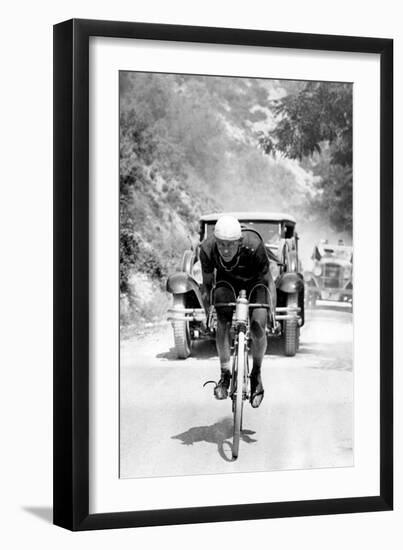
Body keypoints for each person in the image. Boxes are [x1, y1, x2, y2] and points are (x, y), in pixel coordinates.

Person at [199, 215, 276, 408]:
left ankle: (256, 374)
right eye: (221, 244)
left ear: (239, 242)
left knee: (258, 326)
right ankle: (225, 375)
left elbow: (269, 281)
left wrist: (272, 312)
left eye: (230, 245)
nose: (225, 250)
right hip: (227, 282)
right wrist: (209, 312)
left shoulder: (254, 245)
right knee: (222, 322)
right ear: (215, 241)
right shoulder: (207, 249)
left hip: (256, 282)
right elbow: (207, 285)